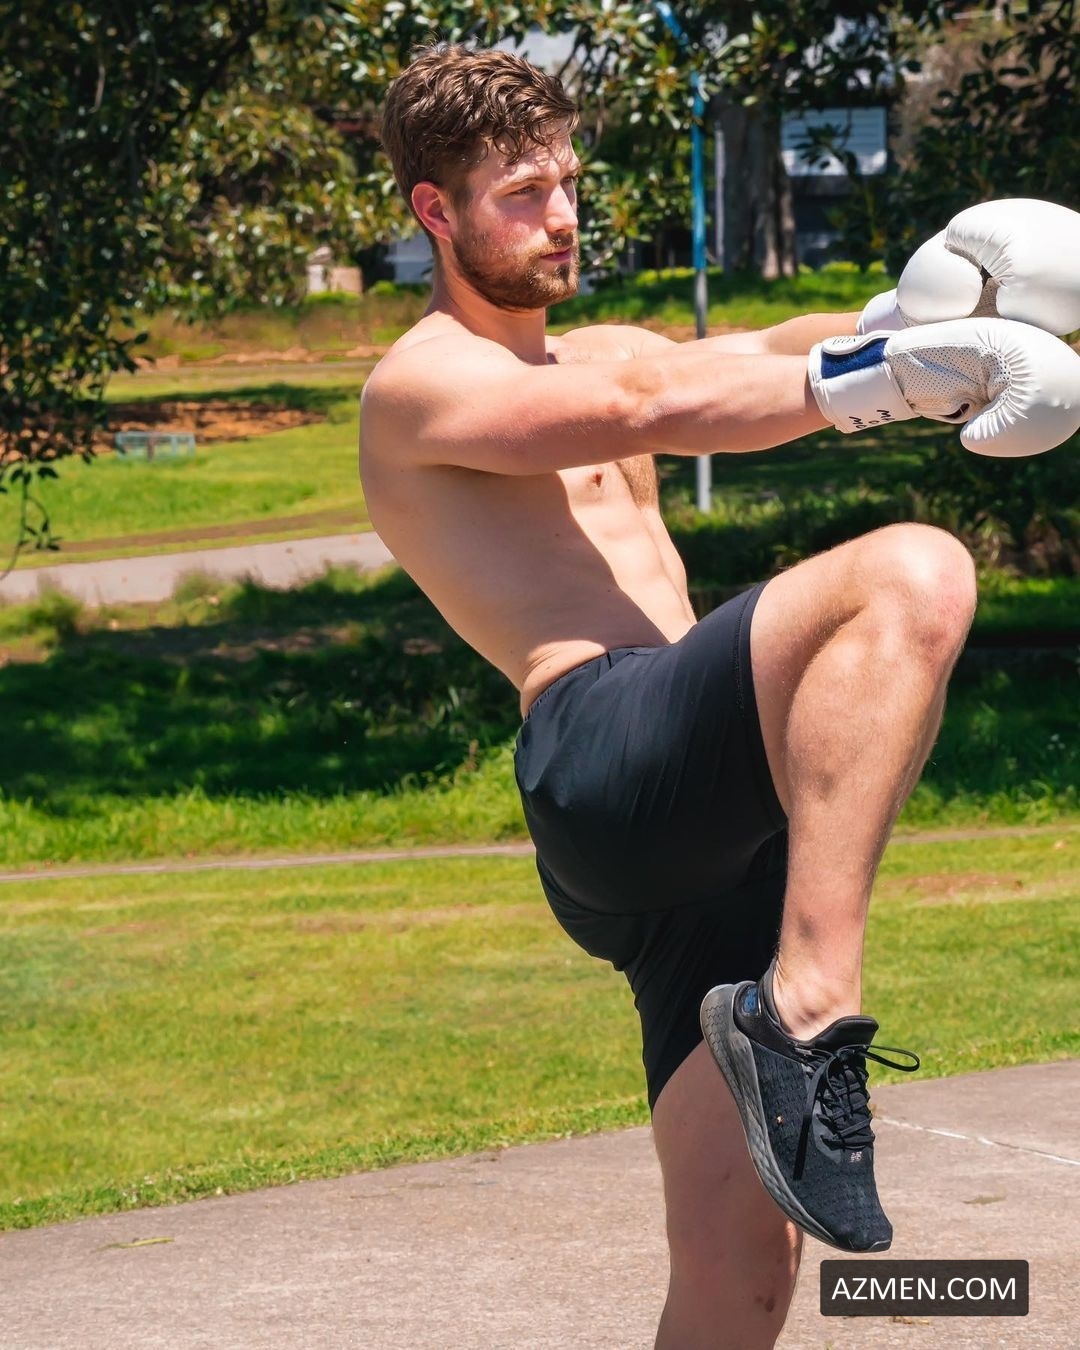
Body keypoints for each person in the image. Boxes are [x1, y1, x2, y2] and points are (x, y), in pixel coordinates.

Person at [360, 43, 1080, 1349]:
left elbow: (768, 347)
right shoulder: (420, 384)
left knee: (746, 1268)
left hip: (704, 824)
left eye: (568, 184)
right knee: (915, 574)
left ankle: (776, 1018)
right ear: (435, 211)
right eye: (522, 193)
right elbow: (656, 400)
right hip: (603, 748)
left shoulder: (599, 345)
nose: (562, 215)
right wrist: (878, 384)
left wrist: (926, 312)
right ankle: (809, 1004)